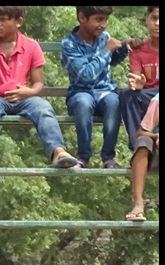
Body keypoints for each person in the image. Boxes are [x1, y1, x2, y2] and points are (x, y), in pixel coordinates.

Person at [0, 6, 80, 168]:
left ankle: (58, 152)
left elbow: (38, 84)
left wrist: (29, 92)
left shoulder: (31, 46)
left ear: (18, 22)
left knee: (43, 108)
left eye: (3, 20)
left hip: (23, 96)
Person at [62, 5, 139, 168]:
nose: (103, 25)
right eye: (98, 20)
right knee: (83, 103)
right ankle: (83, 156)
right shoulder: (69, 44)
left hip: (105, 91)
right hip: (80, 92)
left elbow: (110, 61)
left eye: (105, 20)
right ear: (82, 18)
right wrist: (107, 50)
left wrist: (123, 47)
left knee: (114, 101)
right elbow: (86, 74)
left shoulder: (104, 37)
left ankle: (108, 157)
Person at [119, 7, 159, 152]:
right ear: (147, 19)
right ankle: (137, 146)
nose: (157, 23)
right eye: (154, 18)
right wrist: (138, 84)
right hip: (148, 97)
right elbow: (136, 78)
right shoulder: (139, 49)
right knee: (126, 94)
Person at [126, 93, 158, 222]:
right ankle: (138, 204)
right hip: (156, 151)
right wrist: (156, 136)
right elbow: (140, 132)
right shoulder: (157, 101)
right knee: (143, 141)